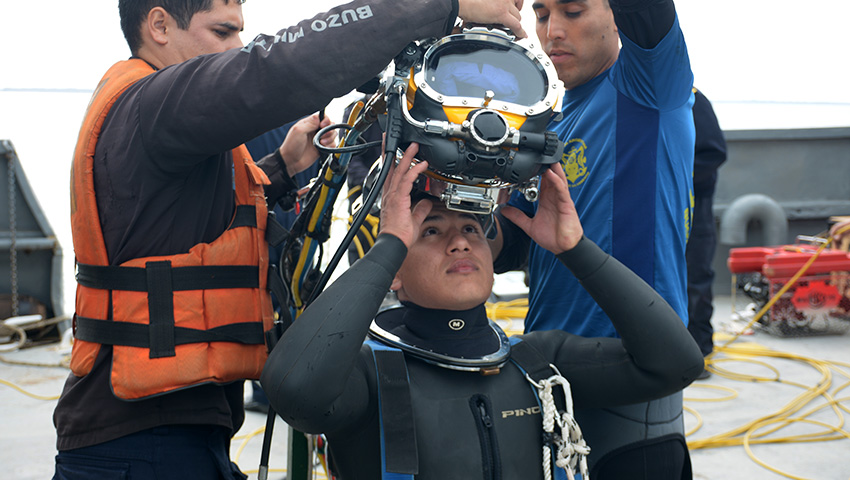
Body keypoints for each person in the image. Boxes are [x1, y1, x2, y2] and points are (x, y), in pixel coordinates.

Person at [52, 0, 528, 478]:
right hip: (140, 444)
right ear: (158, 25)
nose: (236, 48)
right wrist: (439, 6)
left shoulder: (153, 120)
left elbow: (189, 228)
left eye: (239, 33)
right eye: (222, 32)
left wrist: (281, 169)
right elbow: (270, 71)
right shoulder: (152, 103)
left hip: (170, 432)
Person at [260, 144, 703, 479]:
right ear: (394, 271)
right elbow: (295, 390)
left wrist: (575, 249)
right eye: (430, 231)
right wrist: (388, 246)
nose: (460, 242)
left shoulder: (537, 364)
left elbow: (676, 364)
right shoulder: (368, 375)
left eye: (472, 227)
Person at [492, 0, 697, 477]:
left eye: (574, 11)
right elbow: (511, 240)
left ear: (615, 16)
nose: (553, 31)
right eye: (542, 16)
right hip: (551, 372)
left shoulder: (648, 84)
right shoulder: (552, 125)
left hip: (633, 368)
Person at [687, 88, 727, 377]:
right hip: (656, 208)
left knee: (696, 279)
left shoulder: (692, 99)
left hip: (694, 210)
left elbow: (714, 152)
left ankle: (700, 353)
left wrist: (674, 177)